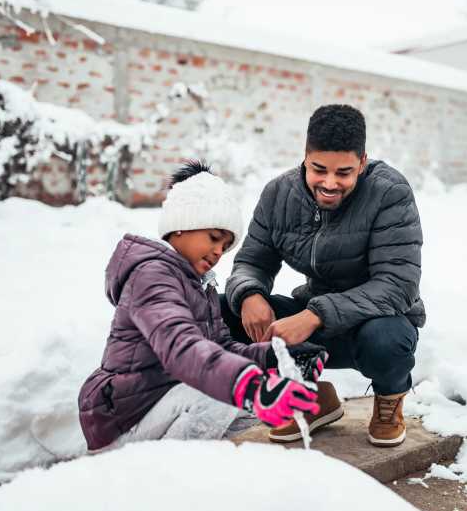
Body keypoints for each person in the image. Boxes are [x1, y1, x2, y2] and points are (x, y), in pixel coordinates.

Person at [78, 161, 328, 452]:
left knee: (245, 403)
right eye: (213, 238)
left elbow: (222, 348)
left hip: (163, 405)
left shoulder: (201, 285)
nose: (218, 252)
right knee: (225, 394)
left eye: (225, 245)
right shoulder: (151, 275)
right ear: (181, 226)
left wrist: (274, 356)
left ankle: (192, 472)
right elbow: (180, 348)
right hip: (125, 418)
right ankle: (158, 481)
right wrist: (250, 386)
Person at [222, 104, 425, 447]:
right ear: (304, 157)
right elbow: (251, 261)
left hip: (374, 326)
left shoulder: (390, 193)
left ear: (362, 162)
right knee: (216, 312)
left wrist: (316, 315)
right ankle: (311, 398)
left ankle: (389, 402)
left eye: (344, 172)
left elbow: (397, 285)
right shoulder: (279, 194)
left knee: (387, 341)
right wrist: (249, 294)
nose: (330, 183)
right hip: (313, 326)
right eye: (319, 169)